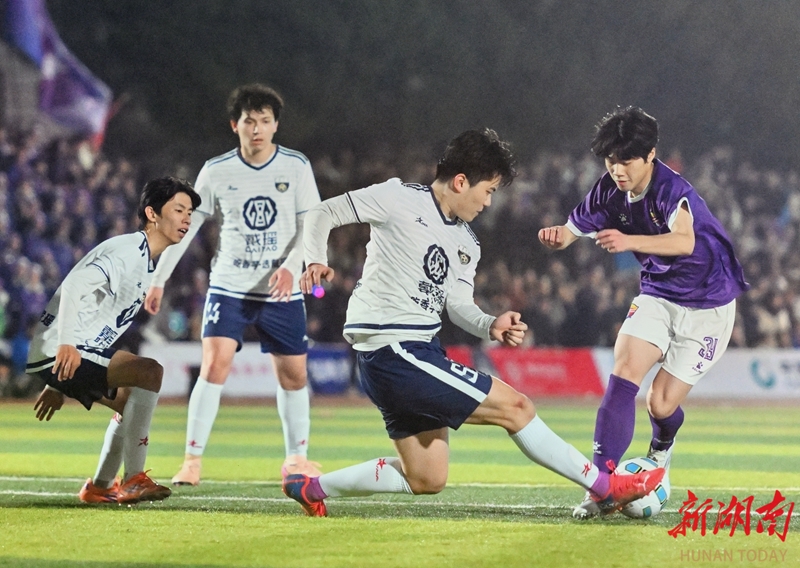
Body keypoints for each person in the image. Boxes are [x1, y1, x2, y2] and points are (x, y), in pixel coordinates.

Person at [282, 128, 663, 517]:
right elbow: (323, 212)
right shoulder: (397, 197)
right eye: (489, 190)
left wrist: (490, 325)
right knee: (516, 407)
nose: (488, 202)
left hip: (412, 353)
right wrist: (316, 260)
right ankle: (604, 488)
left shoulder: (467, 244)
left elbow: (458, 305)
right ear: (461, 182)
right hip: (394, 350)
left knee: (427, 477)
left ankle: (311, 488)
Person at [538, 107, 749, 518]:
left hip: (709, 304)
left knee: (660, 404)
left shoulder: (672, 190)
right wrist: (557, 237)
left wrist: (628, 239)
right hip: (658, 293)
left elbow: (684, 242)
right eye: (610, 160)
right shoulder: (607, 190)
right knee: (624, 372)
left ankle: (661, 451)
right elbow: (571, 231)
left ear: (651, 155)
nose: (617, 170)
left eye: (627, 160)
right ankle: (601, 487)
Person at [144, 84, 323, 486]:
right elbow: (185, 228)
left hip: (281, 288)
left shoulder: (295, 166)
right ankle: (191, 461)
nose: (256, 129)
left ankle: (297, 459)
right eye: (249, 121)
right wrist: (158, 278)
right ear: (234, 125)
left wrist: (291, 267)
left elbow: (312, 226)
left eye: (264, 121)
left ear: (275, 125)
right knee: (214, 364)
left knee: (294, 375)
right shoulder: (216, 170)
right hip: (230, 286)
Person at [27, 176, 202, 504]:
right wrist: (65, 346)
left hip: (70, 349)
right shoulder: (129, 251)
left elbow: (96, 317)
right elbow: (76, 285)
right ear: (152, 214)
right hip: (64, 347)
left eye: (190, 212)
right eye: (179, 210)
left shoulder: (146, 262)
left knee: (129, 402)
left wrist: (58, 383)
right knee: (149, 372)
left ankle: (100, 486)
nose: (187, 219)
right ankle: (134, 479)